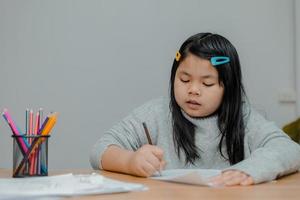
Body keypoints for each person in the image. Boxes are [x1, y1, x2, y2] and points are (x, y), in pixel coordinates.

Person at [90, 32, 300, 186]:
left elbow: (290, 150)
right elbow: (101, 149)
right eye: (184, 79)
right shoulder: (156, 113)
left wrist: (251, 170)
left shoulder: (243, 118)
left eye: (207, 84)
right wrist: (130, 161)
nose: (193, 90)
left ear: (229, 87)